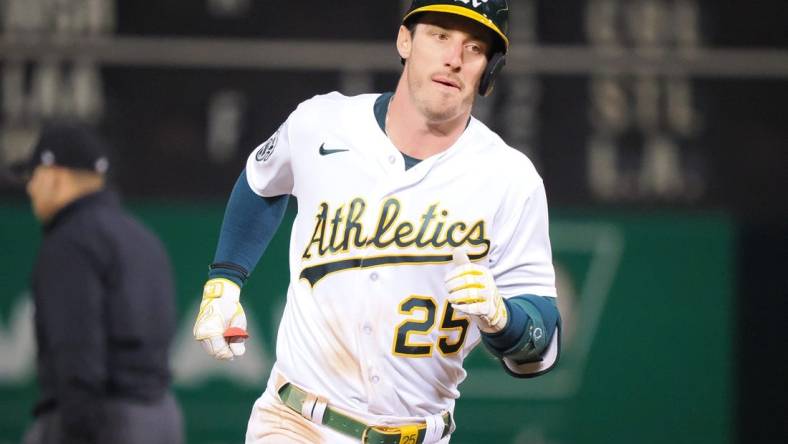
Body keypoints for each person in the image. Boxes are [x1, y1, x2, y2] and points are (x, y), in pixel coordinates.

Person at [193, 1, 561, 443]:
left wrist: (504, 319)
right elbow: (260, 181)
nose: (454, 58)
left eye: (475, 47)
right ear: (405, 40)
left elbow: (541, 348)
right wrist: (224, 282)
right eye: (439, 35)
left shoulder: (509, 178)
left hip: (421, 432)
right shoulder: (323, 123)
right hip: (296, 422)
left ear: (489, 71)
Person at [20, 121, 183, 444]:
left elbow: (77, 350)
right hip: (161, 418)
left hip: (105, 423)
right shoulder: (142, 237)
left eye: (34, 176)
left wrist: (78, 429)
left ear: (55, 176)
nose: (29, 187)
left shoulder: (71, 242)